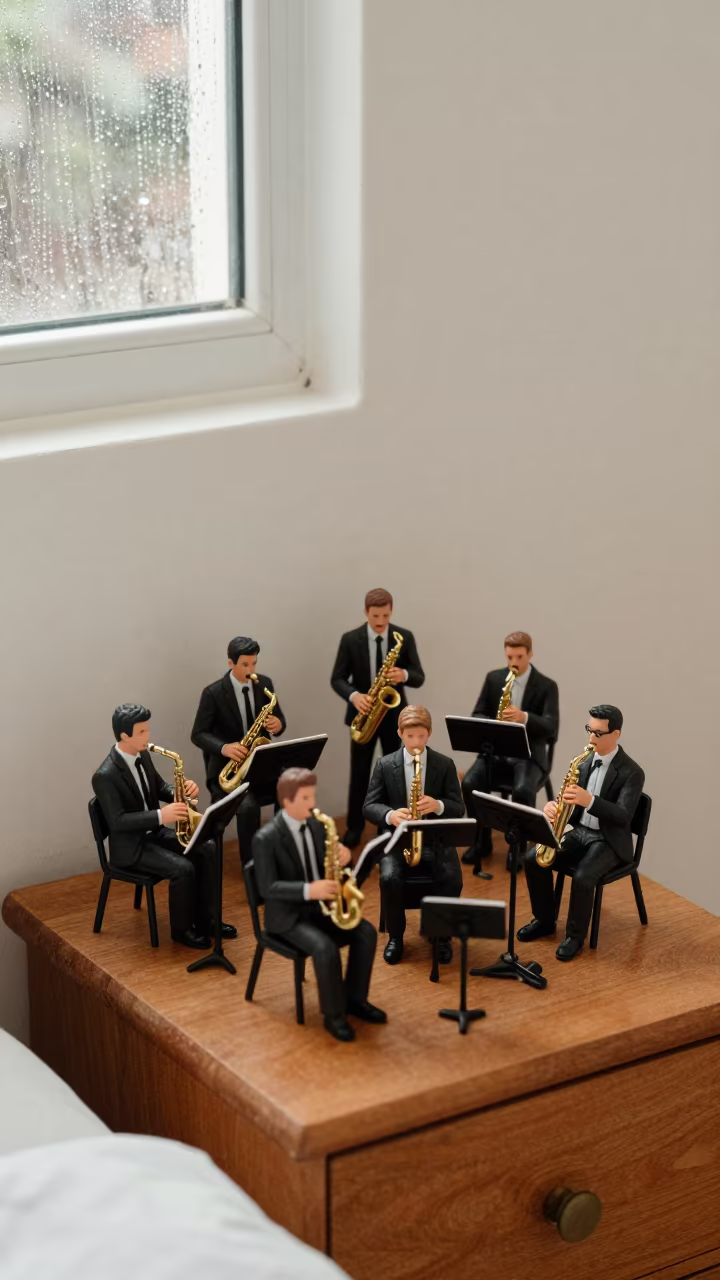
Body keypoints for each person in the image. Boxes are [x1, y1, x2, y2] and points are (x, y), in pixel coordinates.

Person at [252, 768, 386, 1043]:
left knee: (366, 933)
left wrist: (343, 856)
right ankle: (333, 1016)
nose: (313, 804)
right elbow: (267, 888)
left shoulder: (316, 824)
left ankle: (355, 1000)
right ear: (287, 801)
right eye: (305, 798)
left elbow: (328, 862)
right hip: (287, 917)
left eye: (313, 796)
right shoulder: (265, 838)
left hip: (319, 907)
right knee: (324, 948)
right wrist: (308, 890)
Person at [92, 703, 235, 949]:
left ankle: (207, 920)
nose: (148, 736)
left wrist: (181, 792)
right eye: (142, 732)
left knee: (207, 848)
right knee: (183, 868)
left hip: (153, 835)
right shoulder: (105, 775)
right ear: (124, 735)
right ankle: (182, 931)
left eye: (147, 730)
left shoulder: (143, 755)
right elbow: (117, 821)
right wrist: (161, 815)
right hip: (130, 848)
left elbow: (159, 788)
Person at [518, 704, 645, 961]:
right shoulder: (583, 762)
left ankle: (575, 937)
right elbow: (571, 802)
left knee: (584, 875)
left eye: (598, 733)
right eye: (589, 730)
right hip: (580, 831)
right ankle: (544, 921)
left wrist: (590, 801)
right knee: (533, 859)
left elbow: (623, 816)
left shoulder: (632, 772)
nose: (591, 737)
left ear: (616, 734)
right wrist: (554, 808)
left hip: (609, 840)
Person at [363, 704, 464, 966]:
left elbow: (458, 807)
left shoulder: (444, 764)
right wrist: (390, 815)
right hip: (397, 840)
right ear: (399, 733)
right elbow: (369, 806)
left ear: (429, 733)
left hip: (436, 839)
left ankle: (442, 936)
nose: (416, 743)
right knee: (390, 878)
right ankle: (396, 937)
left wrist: (438, 805)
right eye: (410, 736)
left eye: (421, 736)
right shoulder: (385, 764)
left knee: (452, 878)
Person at [331, 588, 425, 849]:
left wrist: (403, 675)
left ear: (391, 611)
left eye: (385, 615)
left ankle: (389, 828)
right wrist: (355, 697)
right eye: (375, 616)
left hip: (394, 718)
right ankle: (355, 827)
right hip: (363, 716)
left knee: (394, 776)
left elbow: (419, 676)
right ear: (366, 612)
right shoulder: (350, 639)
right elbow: (337, 678)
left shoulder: (403, 637)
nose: (381, 621)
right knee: (359, 774)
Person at [461, 631, 559, 872]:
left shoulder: (547, 686)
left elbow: (551, 727)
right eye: (509, 657)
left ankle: (519, 848)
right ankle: (481, 841)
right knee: (470, 783)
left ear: (530, 654)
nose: (513, 662)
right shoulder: (494, 679)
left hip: (528, 756)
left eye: (519, 657)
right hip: (495, 751)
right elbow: (478, 712)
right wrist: (493, 722)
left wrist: (524, 717)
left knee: (523, 790)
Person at [191, 637, 286, 865]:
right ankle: (252, 867)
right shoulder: (213, 693)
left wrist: (278, 725)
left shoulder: (264, 684)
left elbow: (280, 720)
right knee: (249, 806)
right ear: (230, 663)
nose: (251, 670)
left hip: (259, 766)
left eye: (254, 663)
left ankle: (281, 853)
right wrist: (224, 748)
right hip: (228, 770)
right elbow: (198, 734)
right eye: (245, 664)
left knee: (289, 788)